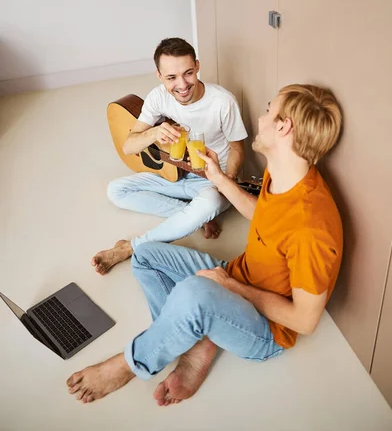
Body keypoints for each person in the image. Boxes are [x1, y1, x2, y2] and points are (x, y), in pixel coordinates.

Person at [68, 83, 343, 406]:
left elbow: (304, 321)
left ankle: (129, 364)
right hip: (236, 277)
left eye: (269, 109)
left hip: (265, 330)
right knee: (143, 253)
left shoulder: (312, 226)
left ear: (284, 127)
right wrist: (217, 177)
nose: (261, 115)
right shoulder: (286, 173)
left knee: (192, 294)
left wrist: (231, 287)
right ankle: (190, 337)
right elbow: (266, 218)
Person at [91, 37, 247, 274]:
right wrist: (154, 132)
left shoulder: (222, 101)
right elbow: (129, 146)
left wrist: (226, 181)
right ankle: (194, 216)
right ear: (159, 76)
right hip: (176, 174)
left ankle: (130, 247)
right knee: (115, 190)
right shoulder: (158, 97)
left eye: (188, 73)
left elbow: (237, 149)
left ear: (197, 66)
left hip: (212, 181)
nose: (182, 85)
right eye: (171, 77)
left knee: (212, 202)